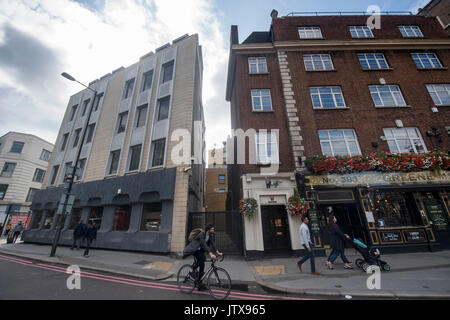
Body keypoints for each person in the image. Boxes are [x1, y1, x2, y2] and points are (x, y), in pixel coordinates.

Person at [183, 224, 223, 290]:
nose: (213, 230)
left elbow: (213, 243)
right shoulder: (202, 234)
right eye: (212, 229)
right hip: (195, 250)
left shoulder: (209, 235)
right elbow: (203, 244)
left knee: (202, 265)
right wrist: (210, 253)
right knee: (202, 259)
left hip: (200, 251)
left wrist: (217, 252)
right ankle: (191, 269)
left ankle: (199, 284)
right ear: (208, 230)